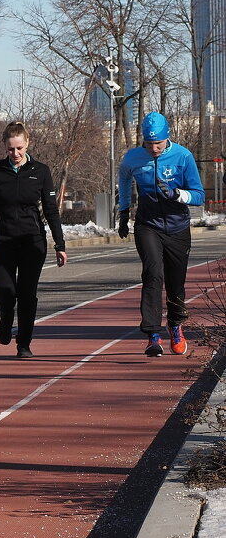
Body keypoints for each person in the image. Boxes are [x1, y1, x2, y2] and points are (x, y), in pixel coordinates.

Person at [0, 121, 67, 358]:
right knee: (5, 291)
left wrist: (60, 244)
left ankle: (24, 343)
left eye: (19, 149)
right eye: (11, 149)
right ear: (5, 147)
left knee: (27, 293)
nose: (15, 154)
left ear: (27, 145)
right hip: (2, 240)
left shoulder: (41, 171)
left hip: (32, 241)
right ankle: (5, 317)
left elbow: (51, 210)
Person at [117, 111, 204, 357]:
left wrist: (177, 194)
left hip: (177, 227)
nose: (153, 149)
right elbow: (123, 178)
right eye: (149, 143)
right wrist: (124, 211)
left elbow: (198, 195)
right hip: (148, 224)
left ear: (168, 138)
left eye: (158, 143)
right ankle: (152, 335)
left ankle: (175, 325)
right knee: (153, 273)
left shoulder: (183, 156)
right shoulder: (133, 158)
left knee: (176, 284)